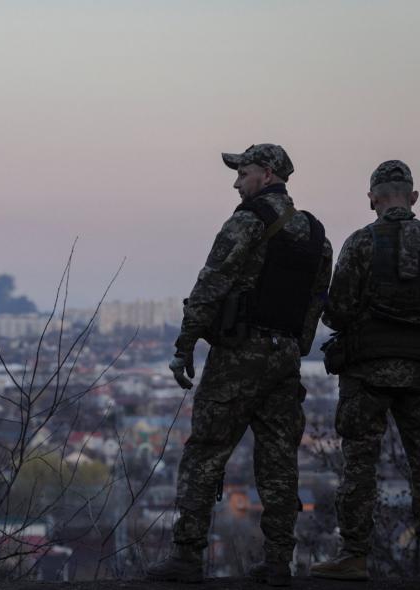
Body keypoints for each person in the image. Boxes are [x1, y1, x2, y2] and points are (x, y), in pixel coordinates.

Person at [147, 144, 332, 586]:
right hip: (284, 358)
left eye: (243, 172)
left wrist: (185, 343)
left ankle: (188, 557)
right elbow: (316, 303)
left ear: (266, 174)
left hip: (238, 356)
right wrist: (293, 348)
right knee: (279, 461)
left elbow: (212, 282)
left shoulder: (247, 220)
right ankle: (277, 563)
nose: (236, 182)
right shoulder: (315, 234)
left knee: (206, 452)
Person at [311, 160, 420, 582]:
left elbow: (337, 311)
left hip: (367, 373)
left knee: (360, 462)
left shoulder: (361, 243)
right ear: (413, 197)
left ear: (372, 199)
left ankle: (355, 554)